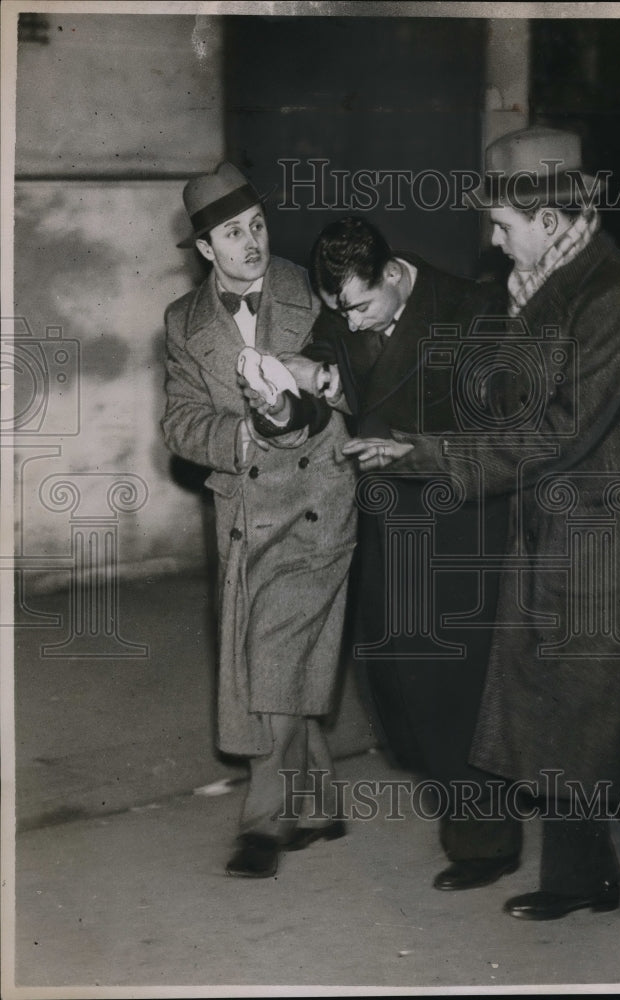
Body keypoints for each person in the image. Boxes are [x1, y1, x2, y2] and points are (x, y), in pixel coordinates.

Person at [348, 126, 620, 920]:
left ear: (548, 214)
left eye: (502, 224)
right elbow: (511, 409)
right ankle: (577, 880)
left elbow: (556, 429)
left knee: (596, 696)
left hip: (608, 521)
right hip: (554, 513)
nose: (493, 241)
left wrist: (423, 454)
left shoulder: (614, 296)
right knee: (553, 692)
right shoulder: (537, 284)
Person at [283, 216, 523, 890]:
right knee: (398, 681)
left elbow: (497, 435)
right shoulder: (343, 314)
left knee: (455, 689)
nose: (351, 323)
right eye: (339, 310)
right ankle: (479, 802)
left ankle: (484, 842)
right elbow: (331, 368)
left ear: (393, 274)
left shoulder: (472, 312)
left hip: (458, 528)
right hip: (386, 526)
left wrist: (411, 448)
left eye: (360, 306)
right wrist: (302, 382)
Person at [161, 163, 357, 879]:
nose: (250, 243)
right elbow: (180, 423)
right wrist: (240, 435)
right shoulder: (183, 325)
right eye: (232, 234)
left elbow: (355, 376)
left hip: (317, 498)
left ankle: (264, 822)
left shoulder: (309, 289)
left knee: (270, 651)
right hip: (244, 506)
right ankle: (319, 800)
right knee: (274, 656)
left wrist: (312, 391)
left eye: (257, 226)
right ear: (205, 248)